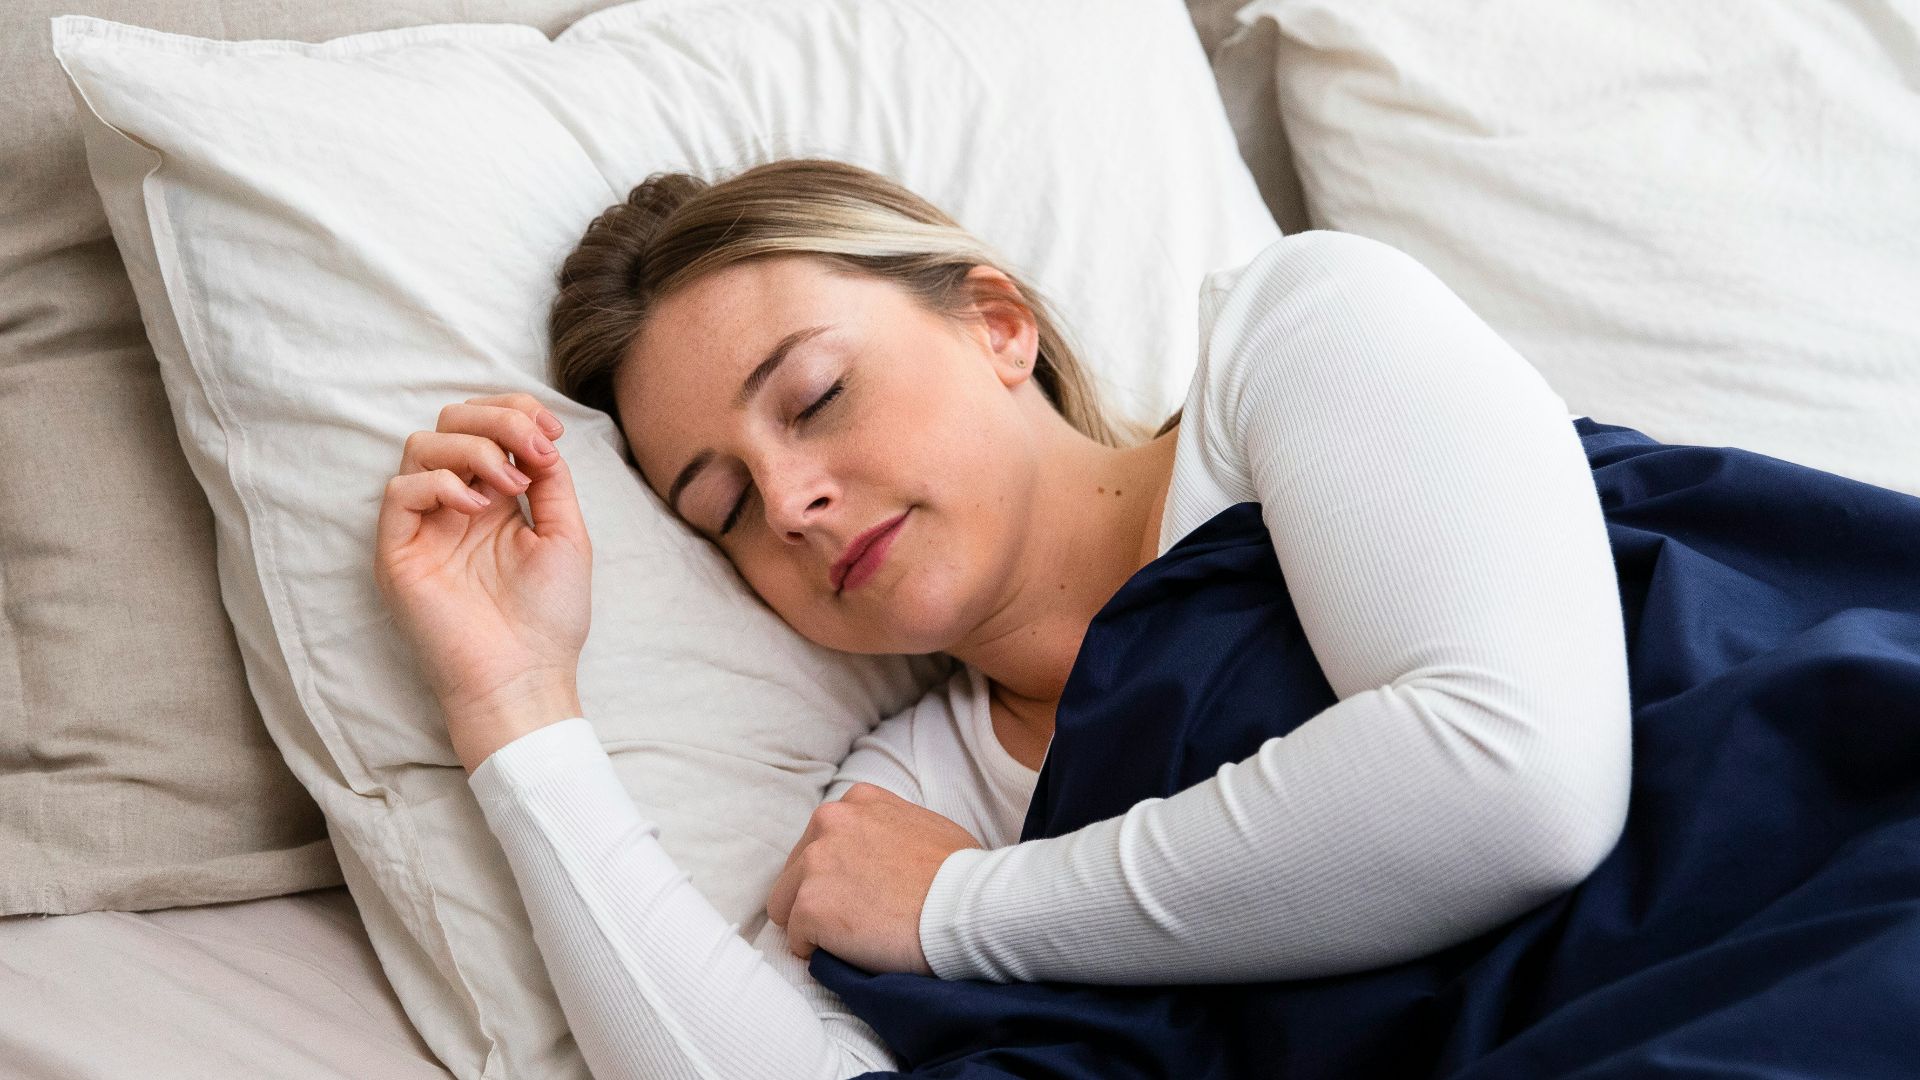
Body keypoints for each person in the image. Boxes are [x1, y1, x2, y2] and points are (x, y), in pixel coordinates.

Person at [371, 158, 1631, 1078]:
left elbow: (1521, 782)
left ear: (997, 323)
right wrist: (514, 706)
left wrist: (964, 911)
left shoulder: (1297, 337)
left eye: (814, 397)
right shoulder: (905, 806)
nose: (794, 500)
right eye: (725, 508)